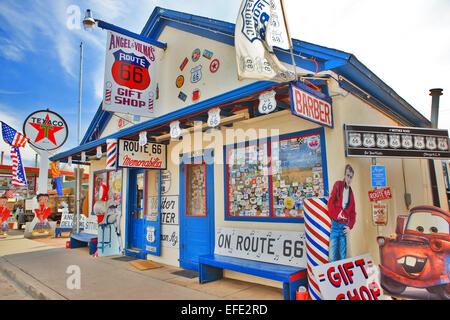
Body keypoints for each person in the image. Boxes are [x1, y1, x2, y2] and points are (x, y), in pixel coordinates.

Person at [328, 164, 356, 262]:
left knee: (342, 257)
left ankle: (340, 276)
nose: (349, 179)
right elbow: (330, 202)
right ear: (344, 175)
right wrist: (336, 215)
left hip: (344, 226)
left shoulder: (351, 193)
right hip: (335, 225)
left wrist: (350, 226)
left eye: (351, 177)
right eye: (348, 176)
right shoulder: (338, 185)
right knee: (332, 256)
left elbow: (353, 212)